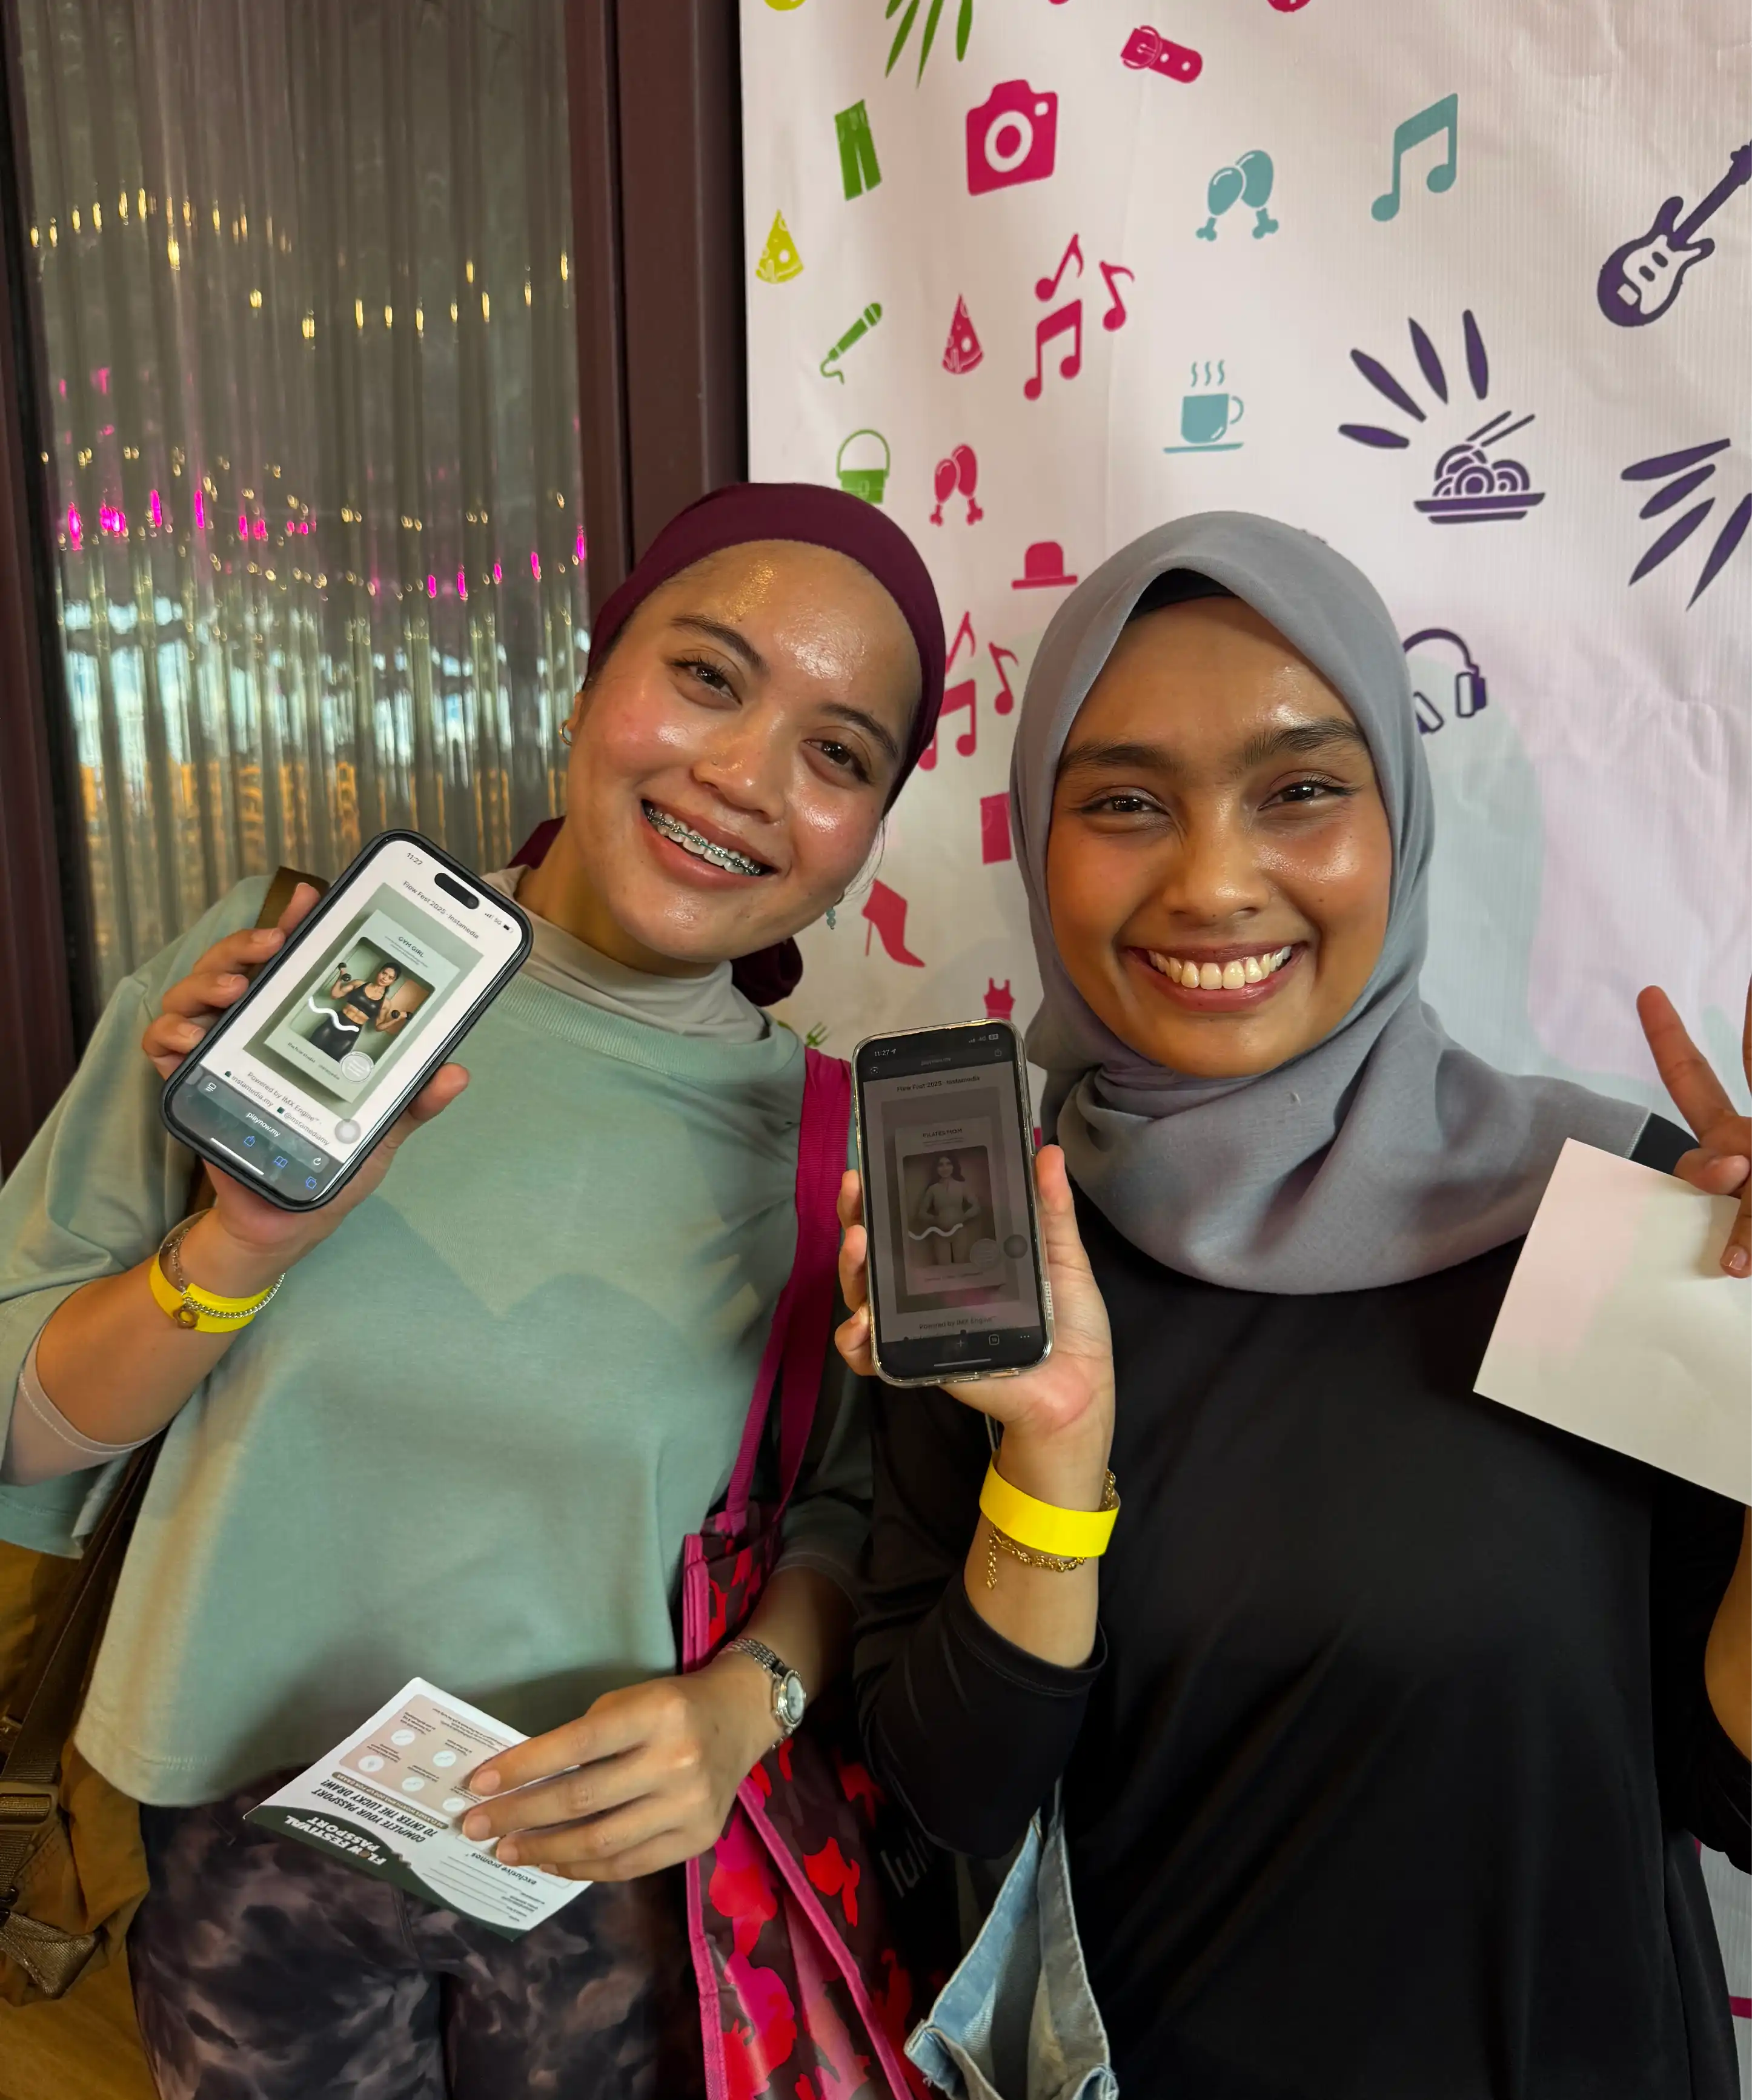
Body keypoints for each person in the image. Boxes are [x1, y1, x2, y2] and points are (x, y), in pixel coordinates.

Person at [0, 482, 945, 2099]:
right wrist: (242, 1243)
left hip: (608, 1897)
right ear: (593, 677)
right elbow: (24, 1421)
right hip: (235, 1865)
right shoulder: (282, 971)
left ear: (865, 833)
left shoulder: (837, 1143)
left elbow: (840, 1526)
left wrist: (742, 1705)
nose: (741, 774)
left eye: (838, 750)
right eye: (707, 676)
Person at [839, 513, 1752, 2099]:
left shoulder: (1603, 1206)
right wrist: (1051, 1461)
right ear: (1033, 836)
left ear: (1394, 819)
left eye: (1300, 792)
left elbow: (1734, 1789)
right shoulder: (1000, 1233)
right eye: (1122, 801)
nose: (1209, 882)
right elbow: (944, 1796)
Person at [912, 1153, 980, 1267]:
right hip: (940, 1234)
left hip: (960, 1232)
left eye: (948, 1164)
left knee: (962, 1267)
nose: (945, 1168)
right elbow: (921, 1213)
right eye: (941, 1165)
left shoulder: (962, 1186)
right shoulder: (933, 1189)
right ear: (936, 1168)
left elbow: (976, 1207)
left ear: (954, 1166)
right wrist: (936, 1219)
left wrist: (963, 1217)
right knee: (944, 1269)